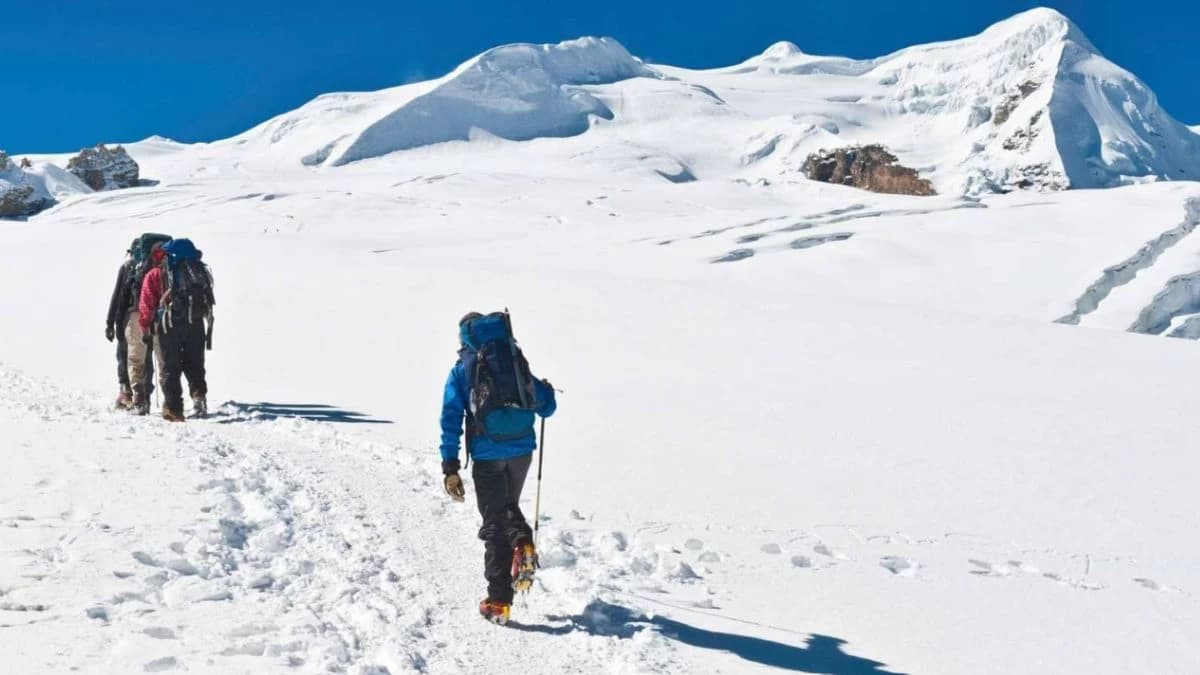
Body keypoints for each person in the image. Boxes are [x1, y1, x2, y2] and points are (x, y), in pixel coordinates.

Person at [439, 311, 556, 625]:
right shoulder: (514, 360)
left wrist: (450, 467)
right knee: (504, 512)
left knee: (497, 522)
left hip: (488, 453)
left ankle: (515, 558)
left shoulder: (463, 370)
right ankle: (501, 596)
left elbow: (450, 419)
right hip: (521, 450)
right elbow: (548, 406)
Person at [138, 239, 213, 421]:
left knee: (170, 367)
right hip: (195, 323)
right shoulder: (199, 269)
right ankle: (199, 398)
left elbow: (146, 303)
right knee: (195, 363)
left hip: (167, 325)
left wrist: (145, 327)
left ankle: (174, 409)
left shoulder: (155, 274)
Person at [105, 241, 137, 409]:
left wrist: (110, 322)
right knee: (143, 358)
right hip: (155, 319)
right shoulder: (158, 266)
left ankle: (126, 393)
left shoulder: (127, 266)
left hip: (127, 319)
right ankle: (142, 396)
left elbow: (117, 296)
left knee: (124, 355)